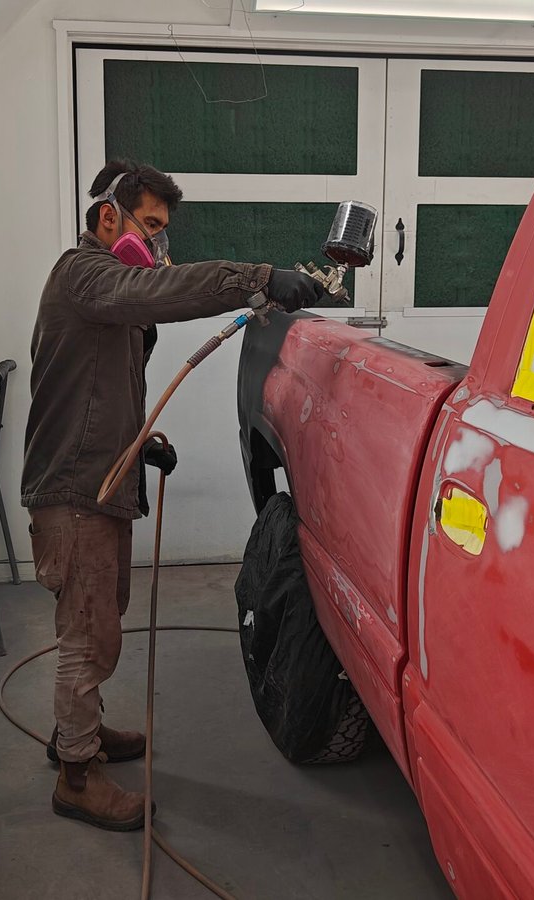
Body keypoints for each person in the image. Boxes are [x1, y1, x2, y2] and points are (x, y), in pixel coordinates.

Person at [21, 160, 326, 832]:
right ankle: (77, 776)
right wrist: (258, 279)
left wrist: (139, 446)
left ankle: (78, 732)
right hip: (76, 489)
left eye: (164, 230)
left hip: (99, 477)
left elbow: (97, 390)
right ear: (109, 218)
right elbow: (166, 290)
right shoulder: (84, 275)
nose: (159, 243)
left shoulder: (104, 294)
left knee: (101, 616)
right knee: (88, 634)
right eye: (151, 225)